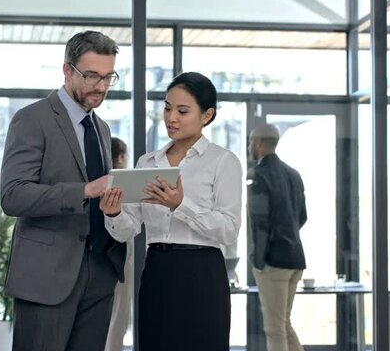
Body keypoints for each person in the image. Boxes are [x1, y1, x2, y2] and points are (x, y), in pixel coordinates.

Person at [0, 30, 127, 351]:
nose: (100, 86)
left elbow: (98, 195)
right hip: (47, 276)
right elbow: (13, 195)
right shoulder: (32, 119)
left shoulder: (101, 128)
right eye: (92, 76)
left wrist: (112, 203)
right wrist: (83, 191)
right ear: (67, 70)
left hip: (100, 272)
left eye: (108, 77)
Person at [100, 72, 242, 351]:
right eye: (167, 108)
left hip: (202, 274)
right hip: (157, 271)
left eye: (182, 110)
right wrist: (114, 213)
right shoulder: (147, 163)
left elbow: (229, 229)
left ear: (207, 114)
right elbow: (130, 228)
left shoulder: (223, 161)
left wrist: (180, 205)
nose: (171, 118)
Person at [247, 123, 308, 351]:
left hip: (274, 261)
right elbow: (302, 216)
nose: (249, 146)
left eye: (251, 141)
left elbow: (259, 222)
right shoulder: (294, 174)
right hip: (295, 258)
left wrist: (259, 260)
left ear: (259, 144)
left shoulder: (257, 175)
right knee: (284, 324)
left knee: (274, 329)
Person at [105, 137, 132, 351]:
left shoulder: (98, 181)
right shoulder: (125, 185)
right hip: (122, 257)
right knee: (119, 316)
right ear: (121, 157)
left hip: (100, 257)